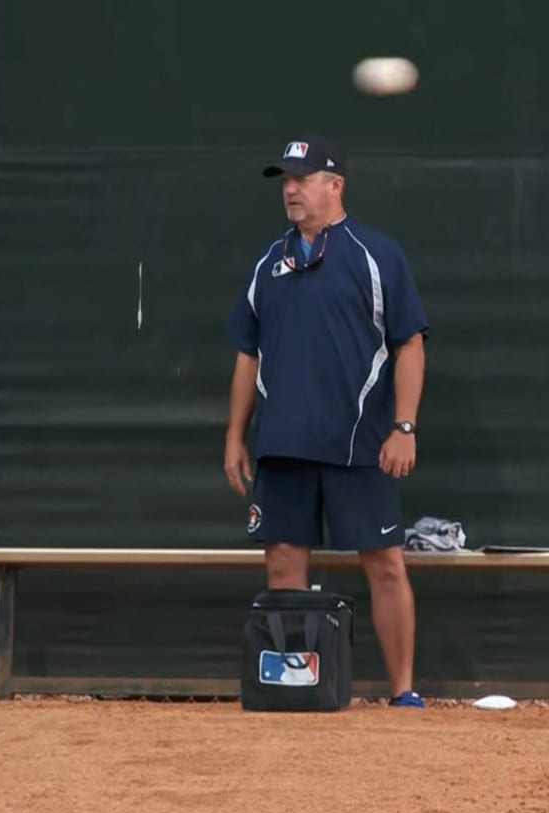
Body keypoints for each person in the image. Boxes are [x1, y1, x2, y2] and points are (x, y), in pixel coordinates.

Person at [224, 135, 429, 708]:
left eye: (303, 178)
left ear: (334, 185)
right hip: (283, 445)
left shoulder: (376, 254)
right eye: (285, 179)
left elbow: (409, 344)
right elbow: (248, 352)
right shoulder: (268, 263)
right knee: (284, 561)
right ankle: (297, 689)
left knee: (386, 563)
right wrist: (235, 436)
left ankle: (403, 692)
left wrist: (404, 427)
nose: (290, 188)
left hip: (361, 443)